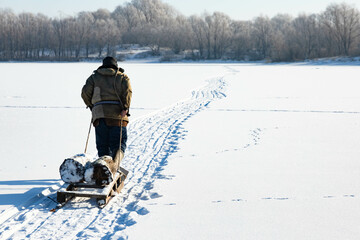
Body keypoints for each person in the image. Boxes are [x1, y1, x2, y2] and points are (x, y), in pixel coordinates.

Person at [81, 56, 132, 162]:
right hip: (118, 116)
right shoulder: (122, 77)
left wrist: (92, 106)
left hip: (100, 116)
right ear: (116, 65)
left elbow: (85, 93)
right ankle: (115, 164)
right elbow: (127, 92)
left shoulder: (94, 77)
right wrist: (125, 107)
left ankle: (104, 167)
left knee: (102, 146)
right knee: (118, 144)